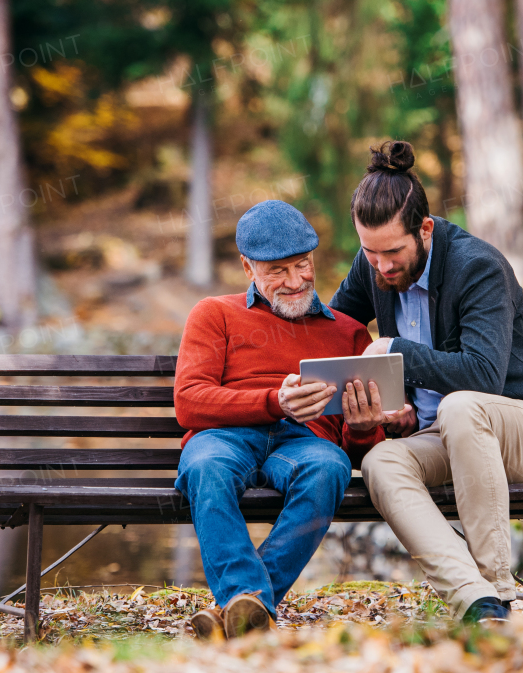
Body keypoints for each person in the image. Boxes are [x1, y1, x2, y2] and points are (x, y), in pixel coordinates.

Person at [330, 140, 523, 624]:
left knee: (461, 406)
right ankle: (477, 600)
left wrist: (398, 355)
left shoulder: (477, 267)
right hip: (444, 440)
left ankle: (498, 588)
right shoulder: (373, 268)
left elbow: (483, 374)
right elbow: (330, 330)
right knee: (382, 461)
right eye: (370, 253)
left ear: (425, 229)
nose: (382, 266)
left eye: (393, 252)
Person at [174, 200, 409, 639]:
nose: (296, 280)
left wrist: (362, 427)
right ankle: (250, 602)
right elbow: (189, 401)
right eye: (278, 271)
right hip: (224, 439)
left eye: (302, 265)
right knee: (204, 467)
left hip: (305, 444)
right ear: (248, 268)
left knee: (329, 467)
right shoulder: (214, 314)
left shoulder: (348, 332)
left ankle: (243, 604)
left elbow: (363, 448)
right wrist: (272, 402)